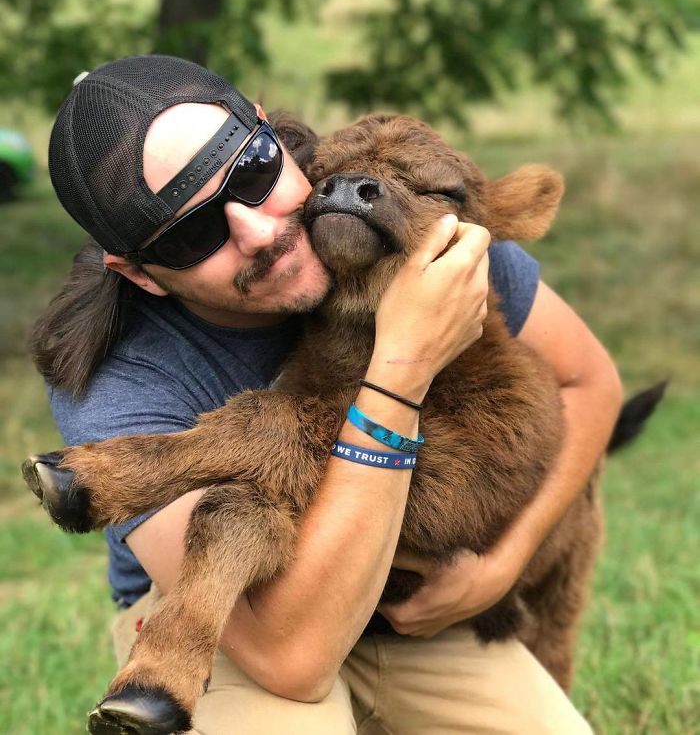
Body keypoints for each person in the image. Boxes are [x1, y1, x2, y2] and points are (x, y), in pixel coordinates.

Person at [32, 54, 622, 734]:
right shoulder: (115, 376)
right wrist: (402, 369)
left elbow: (591, 382)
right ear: (141, 274)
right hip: (241, 616)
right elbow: (292, 658)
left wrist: (502, 563)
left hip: (411, 615)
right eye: (194, 233)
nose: (255, 231)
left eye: (251, 174)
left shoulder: (416, 223)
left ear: (271, 138)